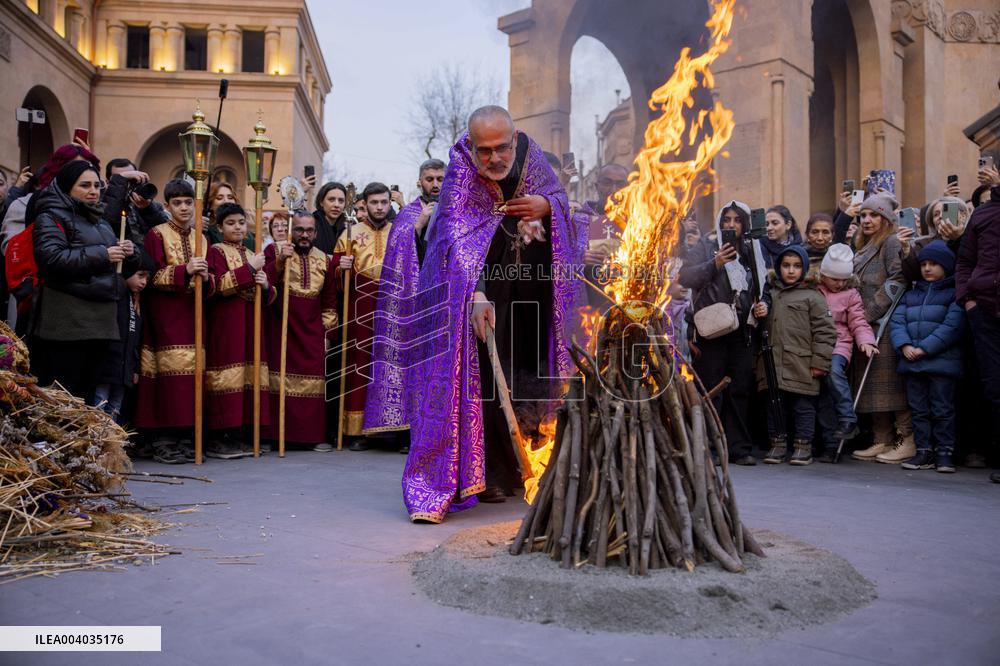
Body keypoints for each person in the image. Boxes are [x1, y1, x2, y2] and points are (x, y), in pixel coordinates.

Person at [402, 105, 582, 522]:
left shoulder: (533, 158)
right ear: (472, 145)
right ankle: (490, 472)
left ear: (515, 140)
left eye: (501, 148)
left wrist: (546, 205)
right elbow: (451, 238)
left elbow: (560, 203)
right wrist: (476, 293)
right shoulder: (460, 168)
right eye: (485, 151)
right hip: (485, 292)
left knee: (532, 373)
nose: (494, 159)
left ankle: (533, 463)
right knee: (481, 376)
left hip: (535, 289)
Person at [31, 160, 138, 399]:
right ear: (67, 187)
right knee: (64, 394)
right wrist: (103, 254)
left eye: (97, 185)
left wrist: (130, 252)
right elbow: (52, 258)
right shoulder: (51, 216)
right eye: (85, 185)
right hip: (68, 323)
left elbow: (118, 264)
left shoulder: (99, 219)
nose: (93, 191)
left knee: (87, 394)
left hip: (100, 322)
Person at [361, 160, 445, 452]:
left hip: (441, 301)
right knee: (406, 363)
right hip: (410, 304)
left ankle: (433, 431)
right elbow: (398, 254)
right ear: (420, 181)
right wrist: (420, 226)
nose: (435, 184)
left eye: (440, 178)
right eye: (429, 178)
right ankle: (402, 431)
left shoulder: (454, 210)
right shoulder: (408, 214)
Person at [679, 200, 769, 465]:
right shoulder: (706, 247)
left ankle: (738, 448)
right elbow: (686, 277)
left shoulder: (754, 251)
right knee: (711, 388)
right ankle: (711, 448)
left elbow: (764, 288)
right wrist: (715, 263)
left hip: (743, 331)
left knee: (740, 389)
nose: (731, 225)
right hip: (712, 332)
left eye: (737, 220)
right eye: (727, 220)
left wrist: (765, 305)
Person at [135, 178, 215, 465]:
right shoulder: (156, 234)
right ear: (167, 206)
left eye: (188, 202)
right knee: (168, 379)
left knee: (193, 379)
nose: (183, 208)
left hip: (195, 316)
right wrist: (184, 270)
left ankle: (187, 437)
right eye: (177, 203)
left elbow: (212, 280)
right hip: (166, 316)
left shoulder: (202, 239)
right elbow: (151, 276)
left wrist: (206, 278)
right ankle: (163, 439)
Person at [264, 210, 339, 449]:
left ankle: (311, 437)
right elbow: (263, 283)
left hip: (312, 330)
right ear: (290, 230)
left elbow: (329, 302)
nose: (304, 235)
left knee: (313, 382)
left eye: (308, 231)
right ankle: (276, 436)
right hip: (281, 325)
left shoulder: (323, 259)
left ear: (316, 233)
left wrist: (327, 334)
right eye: (298, 230)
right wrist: (278, 262)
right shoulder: (274, 250)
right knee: (279, 379)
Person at [848, 192, 914, 463]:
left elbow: (898, 278)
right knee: (874, 387)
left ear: (886, 218)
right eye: (863, 215)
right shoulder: (863, 245)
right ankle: (881, 439)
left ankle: (906, 440)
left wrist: (869, 311)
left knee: (891, 387)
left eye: (874, 215)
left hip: (883, 322)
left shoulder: (890, 242)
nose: (867, 219)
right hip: (865, 325)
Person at [205, 202, 274, 458]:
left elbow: (268, 293)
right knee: (228, 374)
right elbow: (217, 285)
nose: (237, 227)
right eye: (231, 223)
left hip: (252, 322)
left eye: (241, 223)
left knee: (250, 375)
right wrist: (250, 269)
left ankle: (244, 432)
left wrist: (266, 285)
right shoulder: (216, 251)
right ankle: (221, 435)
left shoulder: (252, 252)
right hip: (227, 322)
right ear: (220, 227)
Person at [889, 240, 964, 473]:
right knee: (918, 409)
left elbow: (952, 326)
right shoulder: (911, 293)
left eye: (934, 264)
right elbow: (897, 320)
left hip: (941, 364)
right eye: (924, 264)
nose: (927, 268)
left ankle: (944, 452)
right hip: (913, 363)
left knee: (942, 409)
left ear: (947, 266)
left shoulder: (954, 294)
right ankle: (924, 451)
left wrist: (925, 348)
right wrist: (904, 345)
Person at [758, 245, 836, 465]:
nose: (791, 271)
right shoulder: (770, 294)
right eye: (786, 265)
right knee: (775, 406)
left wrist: (820, 361)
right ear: (778, 267)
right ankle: (778, 444)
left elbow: (825, 331)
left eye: (796, 266)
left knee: (803, 406)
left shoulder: (813, 296)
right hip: (773, 364)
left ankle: (803, 446)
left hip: (801, 363)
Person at [334, 182, 394, 450]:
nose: (380, 207)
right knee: (360, 364)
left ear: (390, 203)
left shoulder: (399, 231)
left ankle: (390, 431)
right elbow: (334, 274)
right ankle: (357, 431)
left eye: (384, 202)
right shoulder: (350, 232)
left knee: (391, 366)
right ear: (365, 204)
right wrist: (339, 266)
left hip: (393, 303)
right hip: (361, 305)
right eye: (374, 203)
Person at [815, 243, 878, 461]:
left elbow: (858, 322)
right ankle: (830, 445)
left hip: (839, 345)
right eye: (834, 279)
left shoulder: (851, 294)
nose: (839, 284)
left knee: (834, 372)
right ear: (823, 275)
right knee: (823, 398)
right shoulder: (814, 292)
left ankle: (848, 418)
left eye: (844, 279)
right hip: (815, 347)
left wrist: (866, 341)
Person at [955, 182, 1000, 483]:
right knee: (995, 385)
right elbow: (965, 261)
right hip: (984, 309)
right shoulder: (983, 213)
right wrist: (967, 299)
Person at [93, 250, 153, 424]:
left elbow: (135, 340)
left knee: (115, 410)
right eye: (140, 275)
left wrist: (134, 369)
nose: (143, 282)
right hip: (106, 366)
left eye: (147, 278)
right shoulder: (115, 297)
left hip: (124, 370)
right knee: (99, 406)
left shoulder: (136, 304)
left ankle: (112, 445)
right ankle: (96, 442)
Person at [101, 158, 169, 247]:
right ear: (109, 182)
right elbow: (110, 221)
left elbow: (166, 232)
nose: (127, 184)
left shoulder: (148, 204)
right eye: (122, 180)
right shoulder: (101, 205)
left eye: (131, 179)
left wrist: (147, 209)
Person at [205, 181, 254, 250]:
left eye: (230, 197)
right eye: (219, 198)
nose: (226, 201)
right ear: (210, 205)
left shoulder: (247, 235)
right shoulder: (206, 231)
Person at [312, 181, 349, 255]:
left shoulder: (348, 227)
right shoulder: (311, 224)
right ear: (321, 202)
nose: (336, 205)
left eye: (341, 201)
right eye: (331, 200)